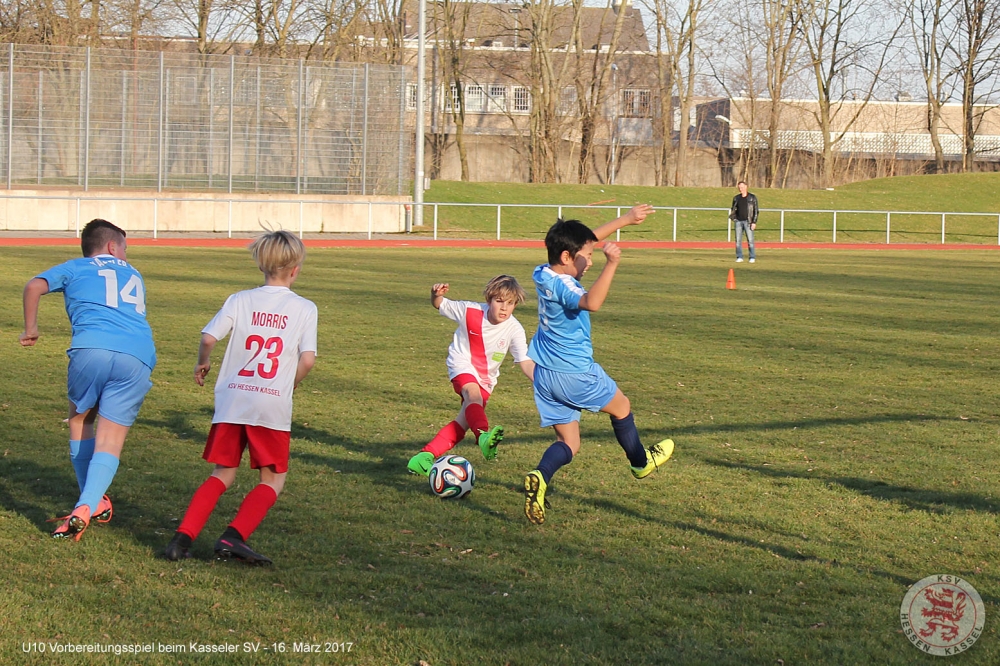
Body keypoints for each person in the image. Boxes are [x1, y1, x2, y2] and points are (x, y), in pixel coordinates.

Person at [164, 230, 317, 565]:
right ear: (296, 270)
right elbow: (307, 360)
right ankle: (233, 537)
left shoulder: (240, 299)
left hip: (232, 399)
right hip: (270, 402)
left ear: (262, 265)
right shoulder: (305, 308)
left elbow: (208, 337)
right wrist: (289, 384)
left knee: (223, 473)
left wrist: (203, 362)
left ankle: (181, 539)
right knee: (273, 479)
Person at [523, 205, 674, 525]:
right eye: (587, 257)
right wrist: (612, 264)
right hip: (575, 373)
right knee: (622, 407)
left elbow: (584, 242)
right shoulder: (567, 286)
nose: (590, 261)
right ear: (567, 257)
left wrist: (626, 220)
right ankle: (640, 463)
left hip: (544, 374)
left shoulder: (542, 272)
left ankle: (540, 476)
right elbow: (592, 302)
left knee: (569, 443)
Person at [20, 219, 156, 541]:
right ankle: (89, 504)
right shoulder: (134, 273)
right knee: (111, 440)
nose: (126, 254)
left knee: (81, 420)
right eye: (125, 248)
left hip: (90, 349)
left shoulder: (76, 267)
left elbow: (33, 286)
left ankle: (89, 503)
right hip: (138, 354)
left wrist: (31, 329)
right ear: (112, 246)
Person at [407, 276, 535, 476]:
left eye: (510, 303)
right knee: (472, 395)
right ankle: (483, 436)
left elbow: (524, 361)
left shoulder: (514, 328)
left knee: (462, 424)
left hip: (487, 380)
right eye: (499, 301)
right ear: (489, 300)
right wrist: (435, 295)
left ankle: (423, 457)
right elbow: (440, 304)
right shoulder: (469, 310)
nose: (504, 308)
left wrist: (543, 382)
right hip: (461, 365)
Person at [730, 180, 759, 263]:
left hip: (748, 221)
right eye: (739, 188)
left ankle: (752, 257)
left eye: (742, 187)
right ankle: (739, 256)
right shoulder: (736, 198)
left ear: (746, 187)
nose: (741, 189)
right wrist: (734, 218)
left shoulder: (752, 198)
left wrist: (754, 222)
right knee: (738, 241)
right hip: (738, 221)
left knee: (750, 240)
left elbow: (756, 211)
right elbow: (733, 209)